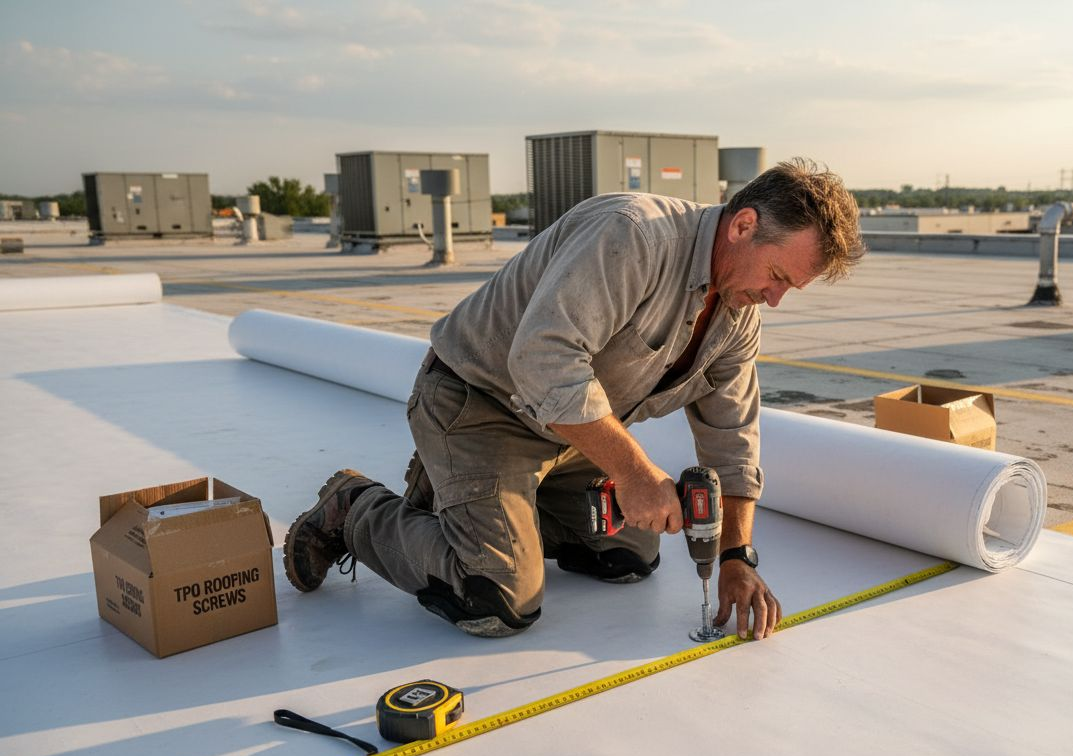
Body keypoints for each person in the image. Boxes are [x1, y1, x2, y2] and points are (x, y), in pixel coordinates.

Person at [282, 158, 865, 639]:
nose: (776, 299)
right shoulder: (633, 235)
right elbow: (542, 361)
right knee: (501, 599)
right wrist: (635, 471)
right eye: (779, 277)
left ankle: (471, 500)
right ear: (742, 226)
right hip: (479, 403)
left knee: (631, 553)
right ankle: (357, 509)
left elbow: (732, 440)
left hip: (566, 434)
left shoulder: (737, 312)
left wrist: (739, 557)